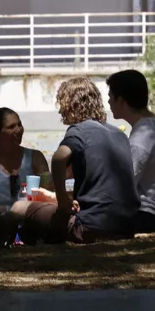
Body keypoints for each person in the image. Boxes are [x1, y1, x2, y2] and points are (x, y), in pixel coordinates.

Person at [12, 77, 139, 244]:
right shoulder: (119, 134)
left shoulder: (79, 130)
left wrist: (63, 200)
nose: (60, 110)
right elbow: (100, 190)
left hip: (90, 227)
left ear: (71, 104)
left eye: (62, 103)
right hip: (128, 226)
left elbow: (58, 158)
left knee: (19, 208)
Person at [107, 69, 155, 232]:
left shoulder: (141, 138)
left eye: (110, 97)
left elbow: (122, 186)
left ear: (121, 100)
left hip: (152, 216)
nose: (108, 102)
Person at [0, 107, 50, 215]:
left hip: (29, 220)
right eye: (11, 127)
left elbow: (48, 193)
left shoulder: (36, 158)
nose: (18, 130)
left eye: (19, 124)